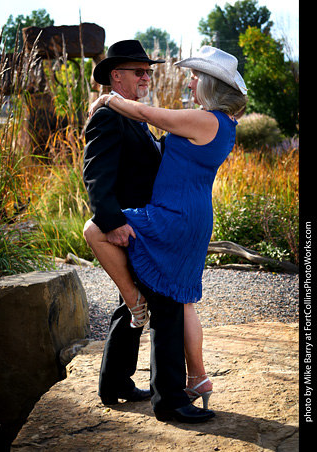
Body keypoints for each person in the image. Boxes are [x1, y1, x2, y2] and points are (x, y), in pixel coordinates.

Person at [83, 39, 216, 423]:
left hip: (149, 224)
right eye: (138, 71)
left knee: (135, 302)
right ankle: (171, 401)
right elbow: (95, 176)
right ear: (116, 76)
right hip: (133, 226)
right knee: (168, 306)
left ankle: (115, 383)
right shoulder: (109, 116)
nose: (146, 76)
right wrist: (113, 223)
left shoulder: (133, 116)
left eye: (148, 71)